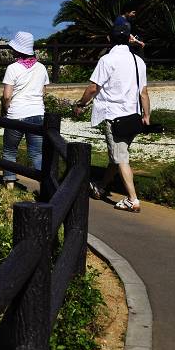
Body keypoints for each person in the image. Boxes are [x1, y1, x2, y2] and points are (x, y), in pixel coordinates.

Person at [73, 23, 149, 213]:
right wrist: (146, 115)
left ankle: (133, 199)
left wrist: (81, 104)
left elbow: (93, 88)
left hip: (115, 117)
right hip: (134, 117)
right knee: (117, 155)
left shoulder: (107, 60)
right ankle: (101, 186)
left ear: (109, 39)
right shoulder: (138, 61)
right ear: (129, 38)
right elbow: (144, 92)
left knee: (121, 158)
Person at [0, 31, 48, 189]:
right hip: (37, 114)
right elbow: (43, 93)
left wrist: (6, 110)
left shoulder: (12, 68)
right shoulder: (41, 68)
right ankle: (45, 186)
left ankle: (10, 184)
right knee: (36, 153)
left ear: (18, 49)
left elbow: (7, 96)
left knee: (10, 150)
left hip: (16, 114)